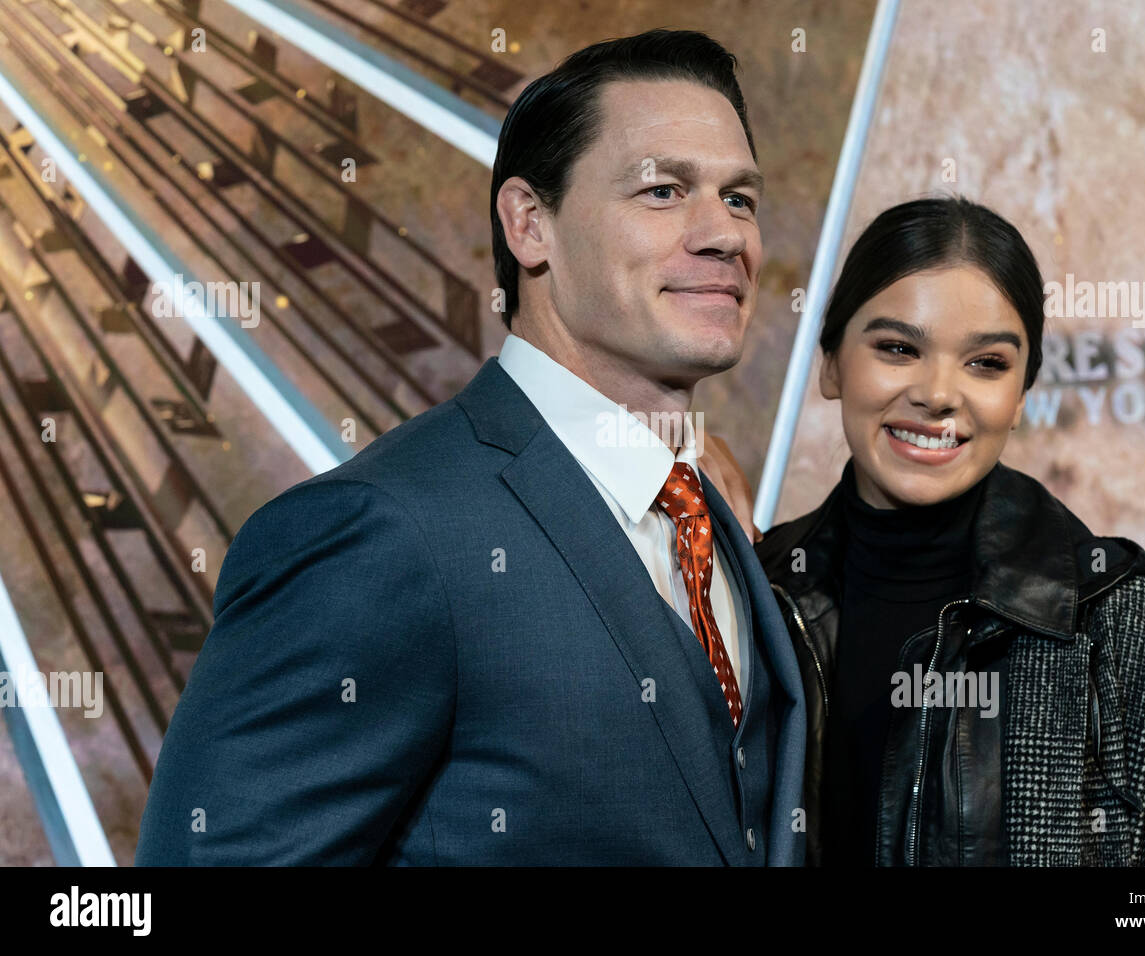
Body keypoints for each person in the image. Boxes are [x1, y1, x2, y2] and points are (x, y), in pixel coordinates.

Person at [136, 29, 805, 866]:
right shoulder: (380, 531)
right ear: (530, 225)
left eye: (740, 199)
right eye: (664, 191)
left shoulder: (713, 524)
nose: (723, 235)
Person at [756, 196, 1145, 866]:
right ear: (830, 363)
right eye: (898, 348)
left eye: (986, 363)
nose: (939, 393)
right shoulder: (750, 598)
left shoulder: (1135, 637)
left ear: (1022, 396)